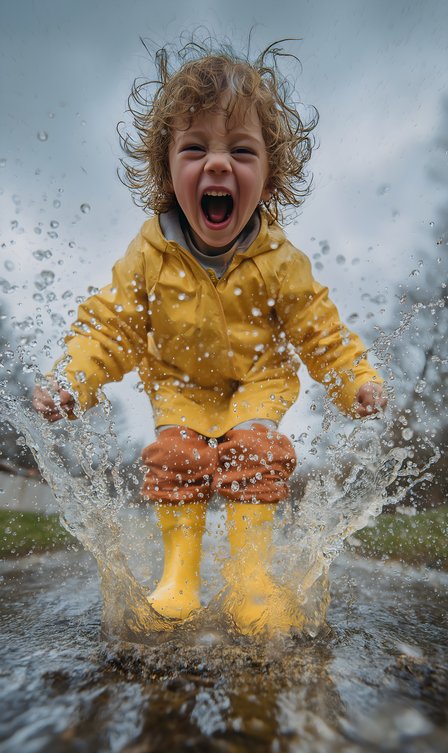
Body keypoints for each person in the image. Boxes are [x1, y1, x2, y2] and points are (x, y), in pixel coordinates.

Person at [33, 42, 387, 635]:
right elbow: (109, 326)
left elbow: (320, 329)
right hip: (179, 382)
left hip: (257, 381)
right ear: (167, 171)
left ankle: (251, 580)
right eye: (195, 148)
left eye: (241, 152)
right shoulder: (150, 253)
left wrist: (356, 379)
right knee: (176, 457)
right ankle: (179, 579)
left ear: (270, 179)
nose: (217, 164)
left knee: (256, 451)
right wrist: (72, 377)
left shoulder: (280, 259)